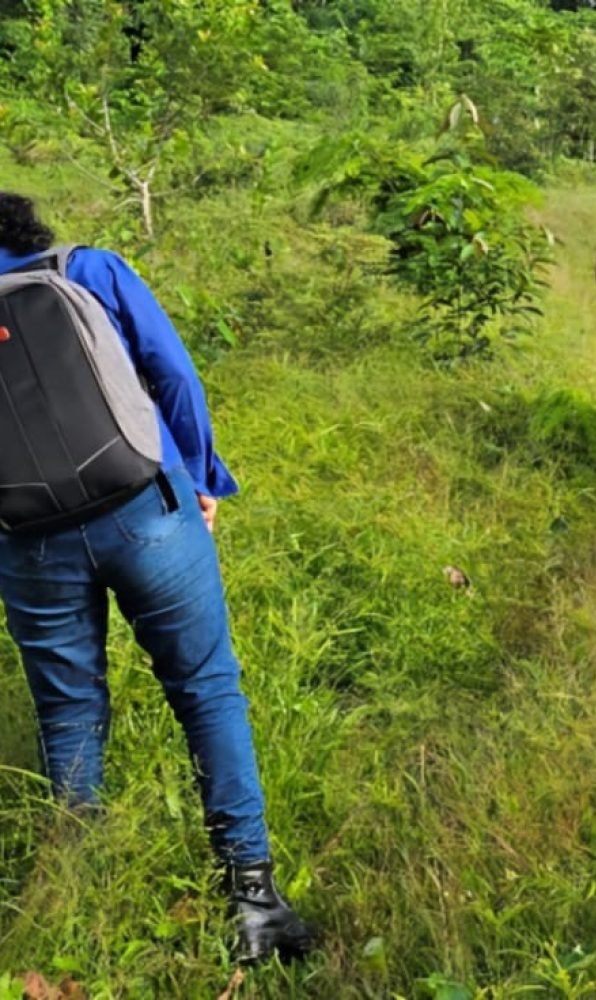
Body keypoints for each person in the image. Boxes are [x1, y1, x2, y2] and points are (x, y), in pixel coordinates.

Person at [0, 193, 314, 964]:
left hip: (28, 542)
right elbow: (172, 376)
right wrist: (201, 475)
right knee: (207, 689)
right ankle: (253, 901)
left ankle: (79, 902)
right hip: (148, 507)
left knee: (69, 714)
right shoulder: (87, 269)